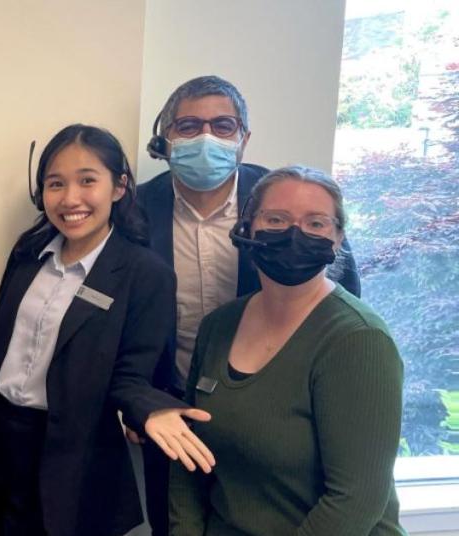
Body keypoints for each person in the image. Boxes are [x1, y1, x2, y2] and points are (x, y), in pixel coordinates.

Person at [135, 75, 362, 535]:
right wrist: (138, 402)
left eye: (223, 126)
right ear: (166, 137)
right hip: (174, 411)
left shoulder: (281, 203)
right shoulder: (136, 211)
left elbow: (342, 298)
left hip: (279, 418)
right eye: (189, 125)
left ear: (244, 137)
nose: (206, 137)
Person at [0, 124, 215, 536]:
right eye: (55, 184)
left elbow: (132, 374)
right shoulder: (27, 254)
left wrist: (149, 409)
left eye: (88, 180)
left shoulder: (146, 274)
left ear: (119, 187)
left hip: (76, 460)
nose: (70, 199)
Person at [169, 166, 405, 535]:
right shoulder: (218, 326)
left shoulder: (358, 339)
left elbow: (356, 500)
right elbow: (189, 455)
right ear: (248, 227)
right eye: (276, 219)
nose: (295, 235)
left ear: (338, 238)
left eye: (315, 224)